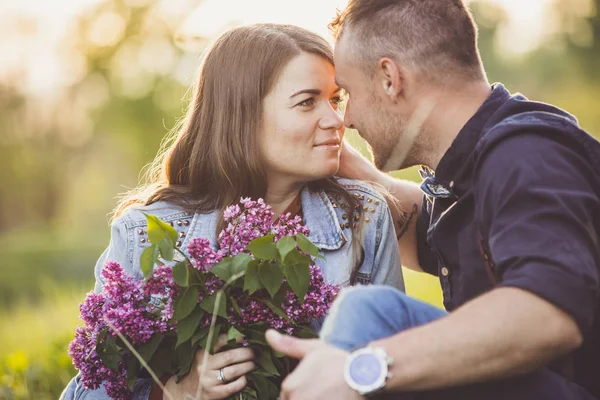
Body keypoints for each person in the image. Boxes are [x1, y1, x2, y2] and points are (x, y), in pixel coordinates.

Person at [266, 1, 600, 399]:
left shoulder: (526, 157)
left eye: (349, 93)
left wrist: (364, 368)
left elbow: (547, 315)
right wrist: (353, 170)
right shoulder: (480, 168)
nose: (347, 119)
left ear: (390, 78)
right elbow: (428, 231)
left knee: (367, 312)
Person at [60, 23, 404, 400]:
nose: (337, 120)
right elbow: (93, 388)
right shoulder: (146, 232)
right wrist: (176, 392)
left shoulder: (364, 216)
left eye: (334, 99)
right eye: (307, 102)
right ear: (242, 115)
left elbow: (398, 366)